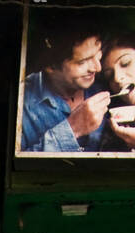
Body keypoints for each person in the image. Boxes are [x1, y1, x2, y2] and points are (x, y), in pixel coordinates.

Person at [19, 21, 109, 153]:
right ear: (50, 66)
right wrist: (73, 129)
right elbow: (18, 166)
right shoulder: (21, 103)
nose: (98, 68)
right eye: (82, 62)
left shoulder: (106, 81)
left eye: (98, 54)